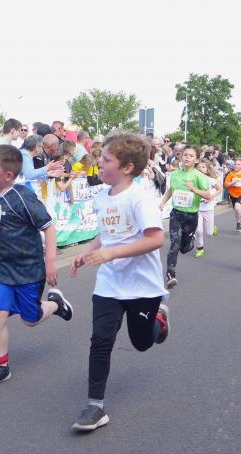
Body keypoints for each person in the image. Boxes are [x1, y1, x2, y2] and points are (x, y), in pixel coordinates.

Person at [68, 133, 169, 432]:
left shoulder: (141, 197)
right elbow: (105, 234)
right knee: (101, 341)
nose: (99, 162)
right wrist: (86, 253)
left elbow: (155, 239)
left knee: (142, 343)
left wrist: (111, 253)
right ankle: (95, 406)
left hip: (142, 285)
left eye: (106, 159)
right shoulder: (102, 196)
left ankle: (159, 318)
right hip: (109, 284)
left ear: (126, 167)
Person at [0, 144, 73, 389]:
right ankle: (0, 366)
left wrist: (50, 262)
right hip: (1, 269)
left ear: (8, 175)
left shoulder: (22, 196)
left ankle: (55, 304)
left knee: (30, 319)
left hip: (29, 270)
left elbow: (48, 226)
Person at [158, 145, 213, 289]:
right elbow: (171, 190)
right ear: (181, 157)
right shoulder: (175, 174)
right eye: (185, 155)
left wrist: (194, 189)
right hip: (176, 214)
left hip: (191, 216)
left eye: (191, 155)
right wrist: (162, 203)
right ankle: (170, 274)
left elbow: (208, 195)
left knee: (184, 248)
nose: (187, 157)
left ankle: (191, 240)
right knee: (174, 245)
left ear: (196, 160)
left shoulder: (199, 176)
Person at [193, 159, 223, 257]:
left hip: (208, 208)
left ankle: (212, 228)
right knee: (198, 230)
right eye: (199, 167)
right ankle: (200, 248)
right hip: (197, 208)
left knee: (209, 233)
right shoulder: (194, 179)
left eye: (203, 167)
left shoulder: (211, 180)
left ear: (207, 169)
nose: (200, 169)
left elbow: (220, 189)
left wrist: (211, 197)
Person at [224, 158, 241, 231]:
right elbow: (225, 185)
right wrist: (232, 182)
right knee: (236, 210)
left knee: (237, 207)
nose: (236, 166)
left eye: (238, 164)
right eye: (235, 164)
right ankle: (238, 223)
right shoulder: (231, 174)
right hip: (233, 194)